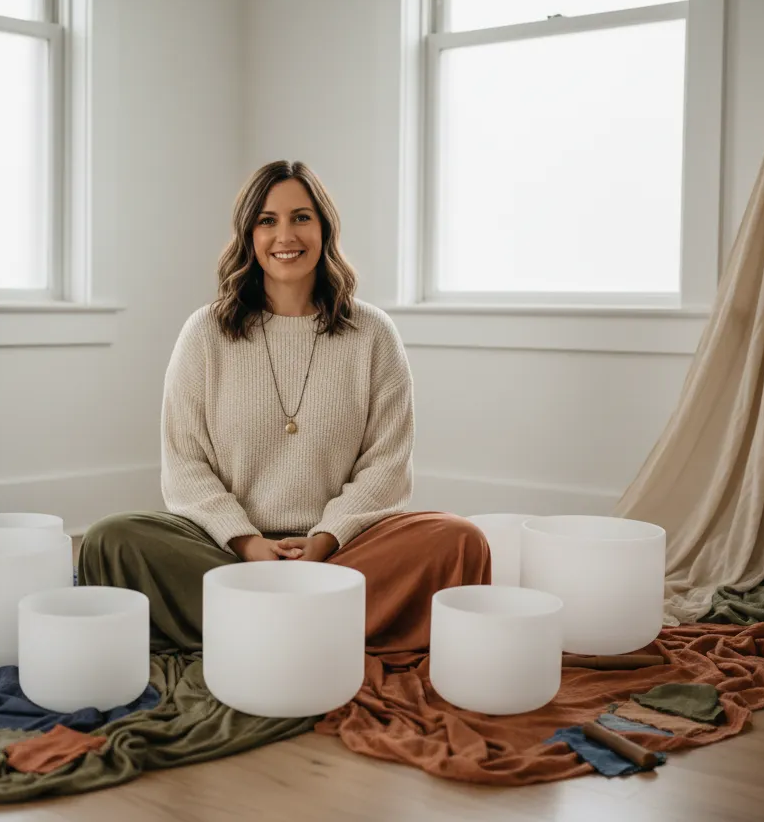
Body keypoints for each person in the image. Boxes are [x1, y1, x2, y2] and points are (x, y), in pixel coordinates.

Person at [78, 160, 490, 653]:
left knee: (460, 539)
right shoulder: (205, 332)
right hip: (228, 554)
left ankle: (258, 630)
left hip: (343, 552)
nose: (285, 235)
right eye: (267, 221)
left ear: (324, 228)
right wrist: (248, 544)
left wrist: (323, 541)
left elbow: (386, 464)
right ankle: (314, 628)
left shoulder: (373, 333)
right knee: (111, 538)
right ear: (248, 235)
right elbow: (185, 464)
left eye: (301, 217)